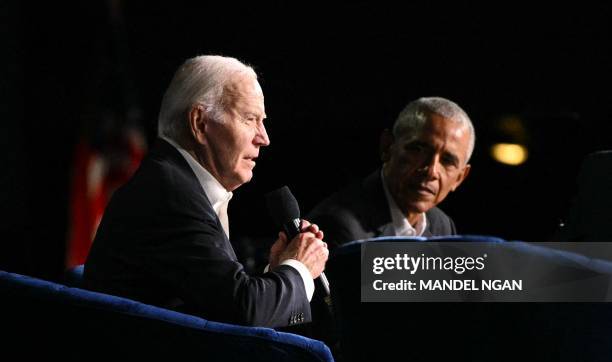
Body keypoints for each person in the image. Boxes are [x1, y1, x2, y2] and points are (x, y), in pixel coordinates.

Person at [84, 55, 329, 328]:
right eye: (250, 119)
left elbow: (217, 301)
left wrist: (279, 271)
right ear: (200, 123)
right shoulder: (169, 195)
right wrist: (299, 268)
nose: (264, 138)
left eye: (262, 121)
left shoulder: (180, 184)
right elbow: (242, 312)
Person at [308, 96, 474, 248]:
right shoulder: (338, 226)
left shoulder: (442, 225)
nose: (431, 171)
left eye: (447, 161)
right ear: (387, 147)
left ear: (459, 178)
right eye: (417, 150)